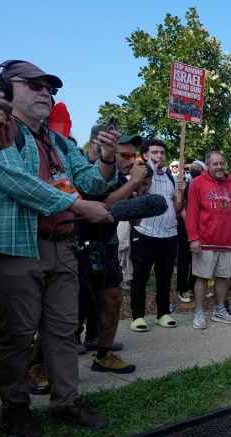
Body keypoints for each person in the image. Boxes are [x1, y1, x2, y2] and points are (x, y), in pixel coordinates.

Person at [0, 59, 115, 437]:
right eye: (35, 84)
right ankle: (16, 408)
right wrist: (78, 207)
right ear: (8, 88)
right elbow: (15, 180)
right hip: (18, 247)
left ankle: (66, 401)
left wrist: (107, 159)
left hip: (62, 247)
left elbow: (91, 181)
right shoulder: (1, 131)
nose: (45, 92)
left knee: (63, 331)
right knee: (17, 333)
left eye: (50, 87)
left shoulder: (61, 141)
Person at [77, 129, 147, 374]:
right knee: (73, 310)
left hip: (107, 248)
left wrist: (140, 195)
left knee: (113, 299)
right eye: (125, 156)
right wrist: (133, 184)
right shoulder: (88, 172)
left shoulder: (123, 179)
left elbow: (136, 221)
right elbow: (101, 210)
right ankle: (42, 362)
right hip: (76, 249)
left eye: (133, 156)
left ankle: (103, 355)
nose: (131, 161)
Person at [185, 150, 231, 329]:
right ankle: (199, 312)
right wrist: (193, 238)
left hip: (226, 242)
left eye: (221, 163)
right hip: (205, 241)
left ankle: (219, 310)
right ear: (208, 165)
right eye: (215, 164)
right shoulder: (197, 183)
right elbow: (192, 214)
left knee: (223, 278)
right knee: (202, 278)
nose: (219, 167)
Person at [129, 137, 183, 331]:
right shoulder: (139, 174)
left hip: (168, 234)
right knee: (140, 277)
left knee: (165, 277)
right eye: (154, 152)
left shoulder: (171, 177)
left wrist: (180, 194)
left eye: (161, 152)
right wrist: (147, 173)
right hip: (144, 232)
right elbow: (136, 198)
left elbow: (176, 207)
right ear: (145, 155)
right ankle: (138, 316)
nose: (159, 156)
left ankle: (163, 313)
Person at [176, 159, 204, 303]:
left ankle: (193, 287)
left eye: (197, 167)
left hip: (199, 227)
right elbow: (181, 206)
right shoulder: (184, 185)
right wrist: (189, 223)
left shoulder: (203, 186)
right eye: (192, 167)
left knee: (197, 259)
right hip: (185, 225)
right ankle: (181, 289)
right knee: (184, 259)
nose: (194, 169)